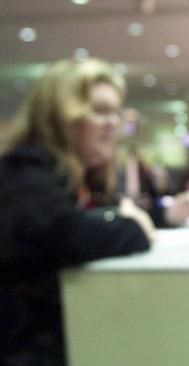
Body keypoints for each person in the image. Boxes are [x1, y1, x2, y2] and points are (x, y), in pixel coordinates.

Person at [0, 58, 154, 365]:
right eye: (99, 111)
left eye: (115, 112)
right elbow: (72, 233)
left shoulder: (74, 178)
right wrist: (135, 227)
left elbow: (102, 217)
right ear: (58, 117)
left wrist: (165, 216)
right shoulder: (23, 170)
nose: (113, 123)